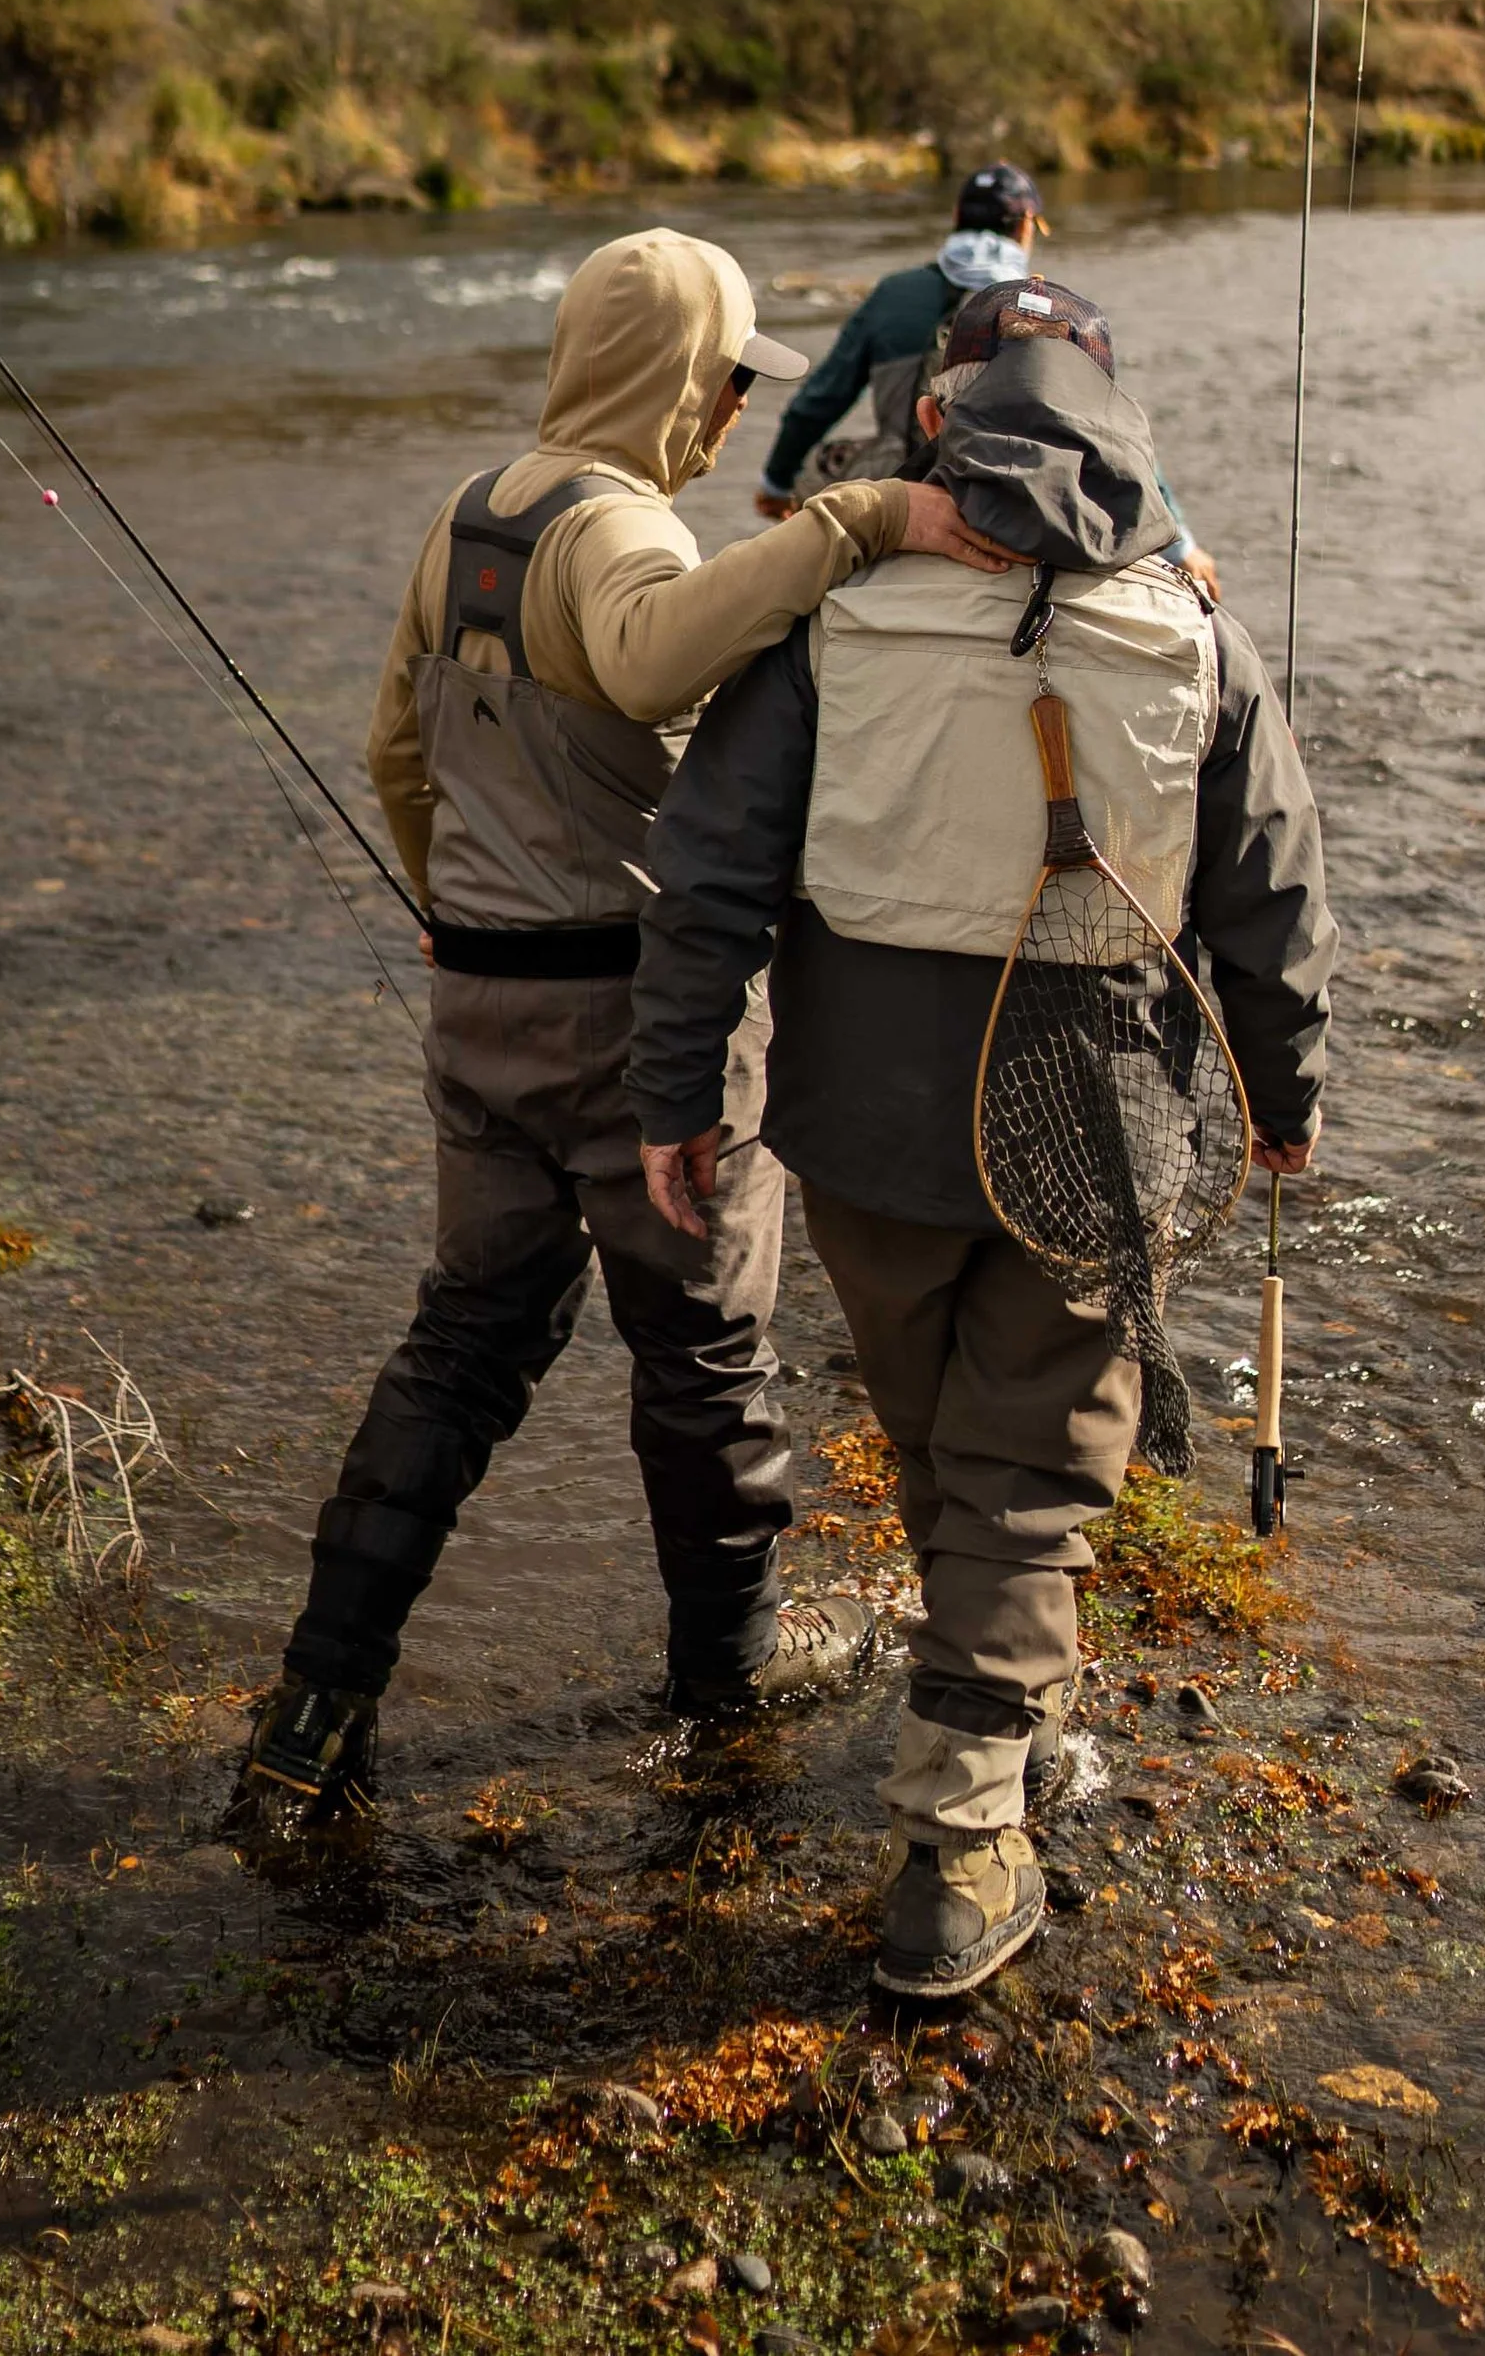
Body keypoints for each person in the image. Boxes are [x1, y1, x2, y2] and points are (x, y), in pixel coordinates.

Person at [234, 226, 1014, 1828]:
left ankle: (317, 1700)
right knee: (705, 1359)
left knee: (465, 1343)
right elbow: (656, 651)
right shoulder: (618, 530)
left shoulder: (468, 511)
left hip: (479, 1006)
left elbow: (395, 751)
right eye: (728, 380)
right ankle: (731, 1668)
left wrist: (454, 908)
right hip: (642, 1027)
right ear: (672, 376)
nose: (735, 412)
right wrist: (863, 517)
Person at [626, 277, 1335, 1997]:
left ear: (937, 422)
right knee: (1030, 1461)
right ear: (1122, 428)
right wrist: (1284, 1096)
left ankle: (992, 1708)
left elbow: (708, 872)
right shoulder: (1203, 633)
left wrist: (674, 1091)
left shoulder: (833, 615)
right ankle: (959, 1839)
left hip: (861, 1126)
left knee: (950, 1429)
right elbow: (1274, 903)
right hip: (1094, 1123)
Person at [756, 163, 1222, 595]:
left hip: (897, 496)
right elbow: (1111, 436)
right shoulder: (1056, 314)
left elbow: (820, 400)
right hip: (1022, 510)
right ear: (1026, 226)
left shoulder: (893, 295)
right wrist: (1181, 544)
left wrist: (776, 483)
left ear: (956, 217)